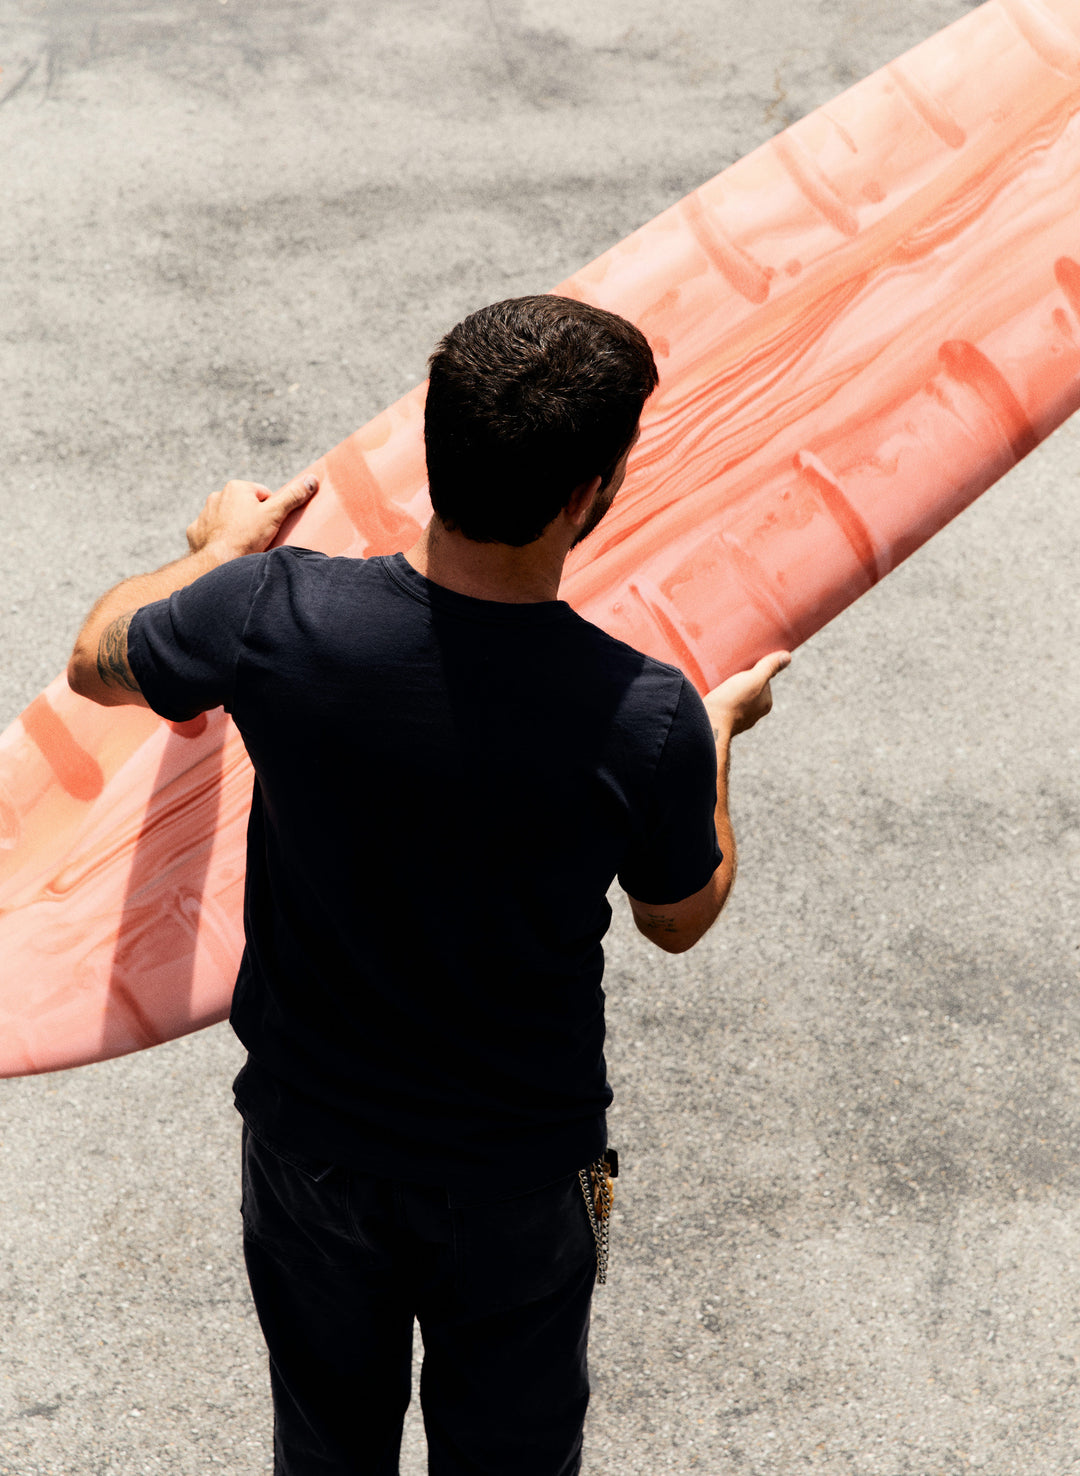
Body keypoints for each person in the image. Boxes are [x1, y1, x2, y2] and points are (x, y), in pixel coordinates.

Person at [67, 294, 789, 1476]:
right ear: (585, 496)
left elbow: (98, 663)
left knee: (326, 1453)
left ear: (435, 445)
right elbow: (677, 916)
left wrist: (211, 550)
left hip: (310, 1150)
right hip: (515, 1180)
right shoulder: (644, 716)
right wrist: (715, 747)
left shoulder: (269, 612)